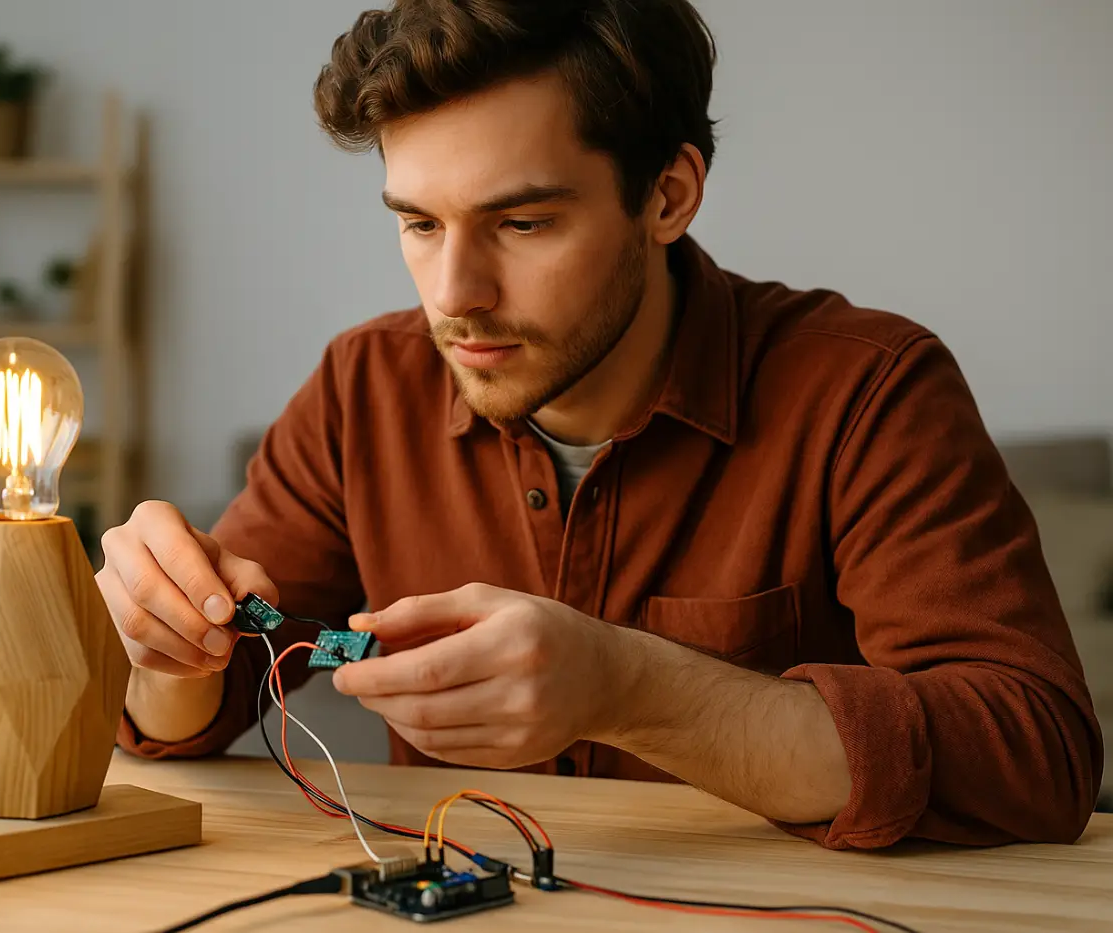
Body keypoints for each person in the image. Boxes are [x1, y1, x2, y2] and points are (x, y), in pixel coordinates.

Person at [98, 0, 1102, 850]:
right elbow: (187, 722)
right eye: (417, 223)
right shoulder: (362, 386)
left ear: (666, 195)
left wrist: (631, 689)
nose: (455, 295)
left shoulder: (866, 391)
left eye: (522, 223)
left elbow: (1036, 759)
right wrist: (160, 653)